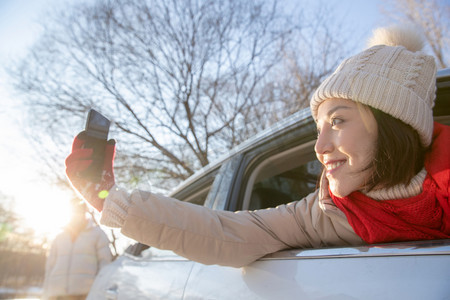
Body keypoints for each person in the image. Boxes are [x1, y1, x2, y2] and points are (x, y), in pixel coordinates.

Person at [65, 25, 450, 268]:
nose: (319, 146)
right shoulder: (324, 215)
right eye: (319, 126)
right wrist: (106, 199)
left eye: (337, 120)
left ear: (392, 124)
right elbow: (226, 231)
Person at [42, 199, 113, 300]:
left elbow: (105, 265)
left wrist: (98, 293)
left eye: (79, 211)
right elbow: (49, 267)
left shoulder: (98, 234)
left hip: (85, 295)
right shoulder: (59, 237)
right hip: (56, 295)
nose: (76, 215)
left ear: (85, 212)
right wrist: (45, 295)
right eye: (74, 211)